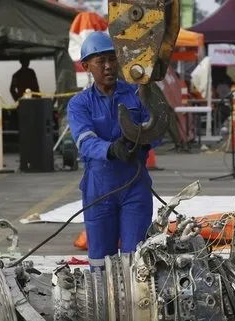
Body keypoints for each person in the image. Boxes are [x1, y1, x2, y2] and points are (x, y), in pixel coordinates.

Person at [67, 31, 159, 270]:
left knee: (136, 260)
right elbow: (84, 141)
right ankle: (103, 305)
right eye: (100, 61)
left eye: (112, 59)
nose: (108, 66)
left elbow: (157, 126)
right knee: (100, 261)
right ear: (87, 66)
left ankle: (135, 306)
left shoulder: (138, 94)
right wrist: (111, 149)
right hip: (99, 190)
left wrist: (144, 142)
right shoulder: (79, 104)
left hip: (134, 186)